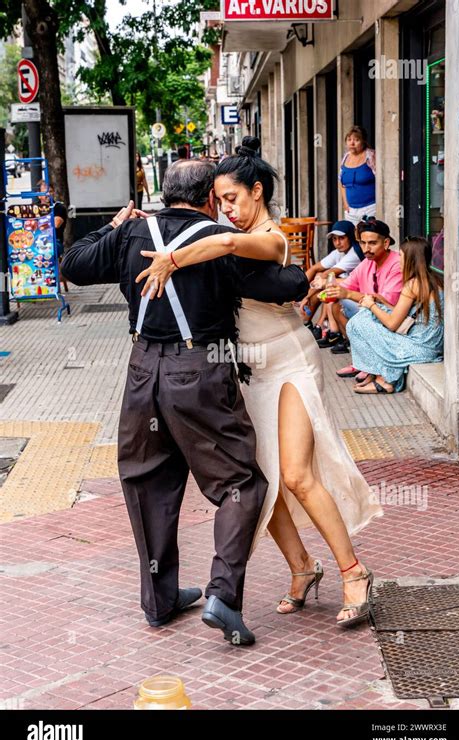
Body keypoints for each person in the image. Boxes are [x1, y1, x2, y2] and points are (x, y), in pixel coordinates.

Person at [61, 160, 309, 646]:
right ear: (210, 198)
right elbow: (288, 285)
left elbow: (74, 264)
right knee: (241, 483)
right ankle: (222, 595)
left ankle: (160, 600)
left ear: (164, 193)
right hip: (201, 372)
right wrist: (284, 255)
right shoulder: (217, 240)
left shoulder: (132, 233)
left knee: (147, 478)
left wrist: (113, 226)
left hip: (141, 371)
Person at [138, 137, 383, 627]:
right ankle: (301, 568)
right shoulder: (227, 229)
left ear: (256, 191)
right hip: (248, 368)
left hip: (291, 362)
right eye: (220, 202)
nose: (227, 210)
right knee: (257, 483)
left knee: (296, 474)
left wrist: (171, 258)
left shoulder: (271, 237)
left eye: (232, 199)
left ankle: (354, 571)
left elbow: (228, 244)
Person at [346, 236, 444, 393]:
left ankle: (384, 380)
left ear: (411, 260)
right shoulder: (435, 280)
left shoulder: (413, 284)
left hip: (419, 347)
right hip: (430, 346)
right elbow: (404, 313)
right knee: (368, 314)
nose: (399, 261)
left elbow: (392, 324)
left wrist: (371, 305)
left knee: (358, 322)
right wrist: (381, 302)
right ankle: (377, 374)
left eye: (401, 257)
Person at [318, 217, 404, 377]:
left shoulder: (397, 263)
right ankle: (360, 361)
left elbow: (386, 302)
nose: (366, 248)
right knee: (335, 302)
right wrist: (327, 292)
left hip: (390, 319)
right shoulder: (368, 262)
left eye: (372, 243)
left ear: (385, 243)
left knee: (345, 301)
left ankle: (369, 364)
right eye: (363, 243)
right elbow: (346, 285)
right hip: (371, 313)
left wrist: (348, 294)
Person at [302, 220, 364, 350]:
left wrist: (305, 297)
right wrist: (297, 289)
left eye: (342, 238)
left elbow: (327, 276)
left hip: (360, 294)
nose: (337, 242)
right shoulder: (339, 252)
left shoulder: (355, 253)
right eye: (334, 239)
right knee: (320, 278)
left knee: (327, 287)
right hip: (347, 289)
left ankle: (334, 333)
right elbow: (314, 269)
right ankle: (309, 324)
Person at [340, 126, 376, 225]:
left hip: (370, 208)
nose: (352, 143)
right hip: (351, 210)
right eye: (349, 139)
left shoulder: (370, 156)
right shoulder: (346, 157)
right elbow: (341, 182)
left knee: (369, 237)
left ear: (363, 141)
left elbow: (381, 180)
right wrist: (345, 203)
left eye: (356, 140)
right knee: (353, 238)